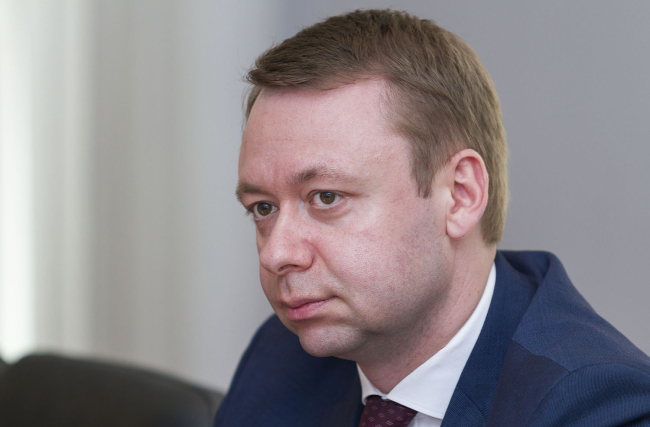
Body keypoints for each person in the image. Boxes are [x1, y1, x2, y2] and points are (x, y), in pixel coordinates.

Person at [214, 9, 650, 427]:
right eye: (263, 208)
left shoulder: (597, 406)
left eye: (326, 197)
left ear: (459, 196)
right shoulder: (282, 359)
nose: (276, 254)